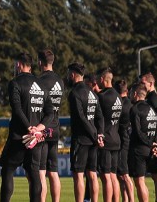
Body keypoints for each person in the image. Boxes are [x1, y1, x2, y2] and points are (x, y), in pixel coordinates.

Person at [0, 53, 51, 202]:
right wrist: (38, 129)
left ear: (19, 64)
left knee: (7, 171)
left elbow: (17, 109)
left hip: (18, 137)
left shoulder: (15, 83)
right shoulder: (42, 85)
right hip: (35, 139)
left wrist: (29, 128)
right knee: (34, 174)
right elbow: (50, 113)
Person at [67, 63, 104, 202]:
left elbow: (81, 118)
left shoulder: (75, 93)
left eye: (68, 74)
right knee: (92, 174)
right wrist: (99, 134)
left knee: (78, 175)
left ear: (72, 75)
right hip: (94, 141)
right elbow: (99, 116)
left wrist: (95, 135)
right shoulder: (92, 93)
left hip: (81, 139)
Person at [36, 50, 64, 202]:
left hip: (43, 128)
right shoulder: (60, 80)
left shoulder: (40, 80)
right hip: (56, 128)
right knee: (54, 172)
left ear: (40, 62)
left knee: (41, 172)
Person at [128, 86, 157, 202]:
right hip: (150, 150)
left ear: (135, 94)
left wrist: (150, 144)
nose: (130, 95)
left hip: (139, 149)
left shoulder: (135, 109)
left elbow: (137, 131)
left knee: (139, 181)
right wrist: (155, 144)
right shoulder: (151, 109)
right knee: (143, 181)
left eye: (131, 93)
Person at [138, 73, 157, 202]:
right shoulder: (150, 98)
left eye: (143, 83)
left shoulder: (154, 100)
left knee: (155, 174)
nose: (141, 85)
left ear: (151, 83)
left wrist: (156, 142)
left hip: (154, 141)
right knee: (153, 174)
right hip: (151, 140)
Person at [97, 70, 122, 202]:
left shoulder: (102, 96)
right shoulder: (118, 96)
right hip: (116, 138)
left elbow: (98, 117)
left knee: (105, 176)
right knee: (113, 176)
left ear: (103, 79)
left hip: (105, 140)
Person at [114, 80, 134, 202]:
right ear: (127, 90)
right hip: (128, 140)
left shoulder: (119, 105)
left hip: (122, 142)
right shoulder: (131, 104)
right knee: (122, 176)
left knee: (124, 175)